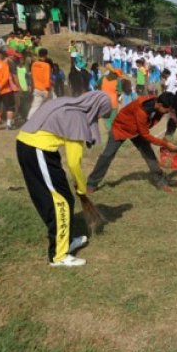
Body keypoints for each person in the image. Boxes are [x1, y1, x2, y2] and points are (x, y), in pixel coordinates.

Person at [16, 91, 112, 267]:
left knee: (64, 198)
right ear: (95, 108)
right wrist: (81, 188)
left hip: (36, 147)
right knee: (60, 202)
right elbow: (74, 163)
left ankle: (65, 242)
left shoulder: (69, 103)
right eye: (99, 115)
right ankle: (58, 256)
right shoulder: (77, 118)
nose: (96, 119)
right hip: (36, 149)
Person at [86, 92, 177, 193]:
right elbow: (146, 135)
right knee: (107, 155)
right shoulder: (141, 111)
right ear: (160, 105)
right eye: (167, 110)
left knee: (150, 155)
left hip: (137, 130)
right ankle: (91, 184)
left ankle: (161, 182)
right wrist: (166, 144)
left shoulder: (157, 103)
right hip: (120, 128)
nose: (166, 112)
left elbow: (146, 127)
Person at [27, 48, 52, 119]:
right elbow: (46, 78)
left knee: (35, 106)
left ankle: (29, 119)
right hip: (44, 89)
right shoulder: (46, 65)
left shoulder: (34, 64)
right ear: (46, 55)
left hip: (36, 88)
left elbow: (32, 76)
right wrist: (47, 89)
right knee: (50, 105)